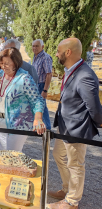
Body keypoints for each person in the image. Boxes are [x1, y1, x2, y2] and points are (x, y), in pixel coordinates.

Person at [48, 38, 102, 209]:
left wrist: (98, 124)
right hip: (65, 127)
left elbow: (94, 108)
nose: (56, 54)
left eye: (58, 51)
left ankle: (72, 201)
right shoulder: (71, 70)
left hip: (77, 129)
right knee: (58, 155)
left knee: (75, 164)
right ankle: (67, 189)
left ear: (68, 52)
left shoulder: (85, 75)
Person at [0, 47, 46, 151]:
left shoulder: (24, 78)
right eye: (2, 63)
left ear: (16, 62)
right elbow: (0, 96)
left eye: (7, 63)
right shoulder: (1, 74)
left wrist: (38, 118)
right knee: (4, 155)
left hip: (16, 125)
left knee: (13, 158)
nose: (3, 66)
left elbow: (37, 100)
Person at [32, 39, 52, 130]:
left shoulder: (45, 57)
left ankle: (47, 128)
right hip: (35, 85)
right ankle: (39, 125)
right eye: (33, 46)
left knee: (42, 106)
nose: (34, 48)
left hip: (41, 85)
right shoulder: (35, 56)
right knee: (38, 106)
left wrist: (45, 90)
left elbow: (49, 74)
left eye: (37, 46)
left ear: (42, 47)